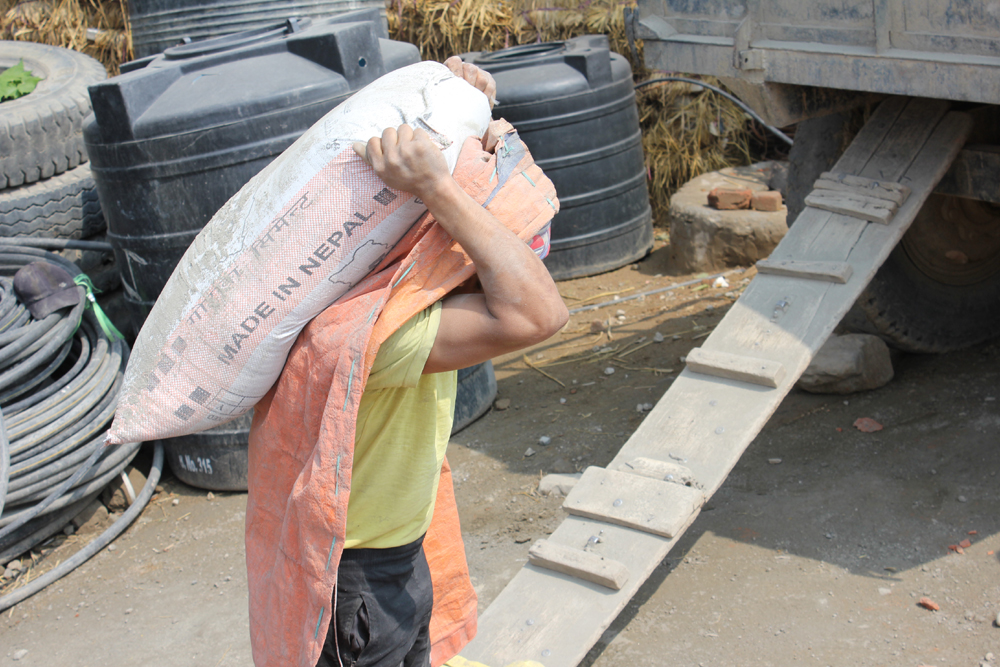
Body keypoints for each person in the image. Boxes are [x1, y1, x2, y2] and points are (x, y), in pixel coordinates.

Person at [246, 58, 568, 667]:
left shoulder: (379, 284)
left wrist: (469, 111)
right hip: (358, 584)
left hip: (395, 556)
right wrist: (439, 188)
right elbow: (537, 310)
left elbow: (515, 233)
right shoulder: (365, 330)